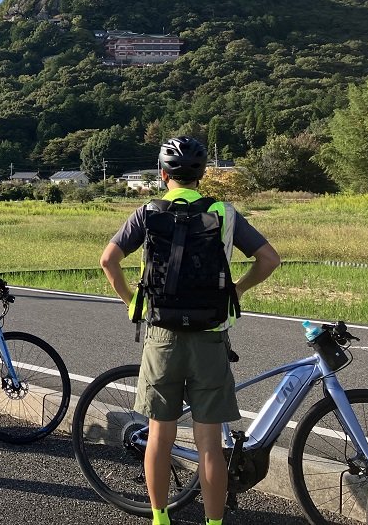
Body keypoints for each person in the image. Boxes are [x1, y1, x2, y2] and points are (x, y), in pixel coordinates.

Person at [100, 137, 280, 525]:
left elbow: (108, 261)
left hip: (161, 336)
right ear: (201, 175)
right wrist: (237, 290)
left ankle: (160, 518)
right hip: (210, 336)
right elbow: (269, 259)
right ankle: (214, 523)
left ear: (163, 175)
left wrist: (131, 300)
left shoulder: (146, 212)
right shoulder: (224, 212)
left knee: (159, 436)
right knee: (210, 445)